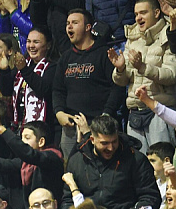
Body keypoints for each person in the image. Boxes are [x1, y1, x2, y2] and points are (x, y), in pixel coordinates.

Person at [62, 114, 162, 209]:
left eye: (114, 141)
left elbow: (150, 197)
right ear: (92, 139)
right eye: (104, 143)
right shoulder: (77, 160)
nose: (110, 148)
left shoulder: (135, 159)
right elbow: (67, 200)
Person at [51, 8, 126, 158]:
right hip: (71, 127)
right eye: (67, 23)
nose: (69, 27)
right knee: (71, 169)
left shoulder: (104, 54)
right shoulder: (65, 58)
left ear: (88, 27)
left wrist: (106, 114)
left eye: (74, 23)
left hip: (98, 127)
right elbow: (57, 90)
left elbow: (118, 87)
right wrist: (59, 112)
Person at [112, 0, 176, 152]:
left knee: (162, 165)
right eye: (136, 14)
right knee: (138, 169)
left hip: (161, 111)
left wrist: (143, 67)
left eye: (143, 13)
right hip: (135, 112)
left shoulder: (170, 34)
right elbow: (123, 80)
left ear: (156, 13)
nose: (138, 18)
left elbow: (172, 75)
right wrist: (121, 69)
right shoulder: (132, 38)